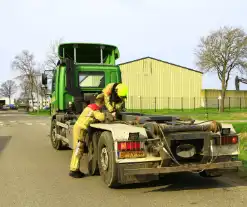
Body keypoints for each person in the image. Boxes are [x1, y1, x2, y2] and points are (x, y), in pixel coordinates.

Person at [69, 95, 106, 178]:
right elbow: (101, 117)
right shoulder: (95, 109)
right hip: (80, 130)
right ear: (102, 102)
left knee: (79, 149)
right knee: (78, 149)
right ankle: (74, 170)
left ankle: (75, 169)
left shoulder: (90, 107)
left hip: (79, 128)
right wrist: (110, 115)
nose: (103, 106)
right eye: (103, 104)